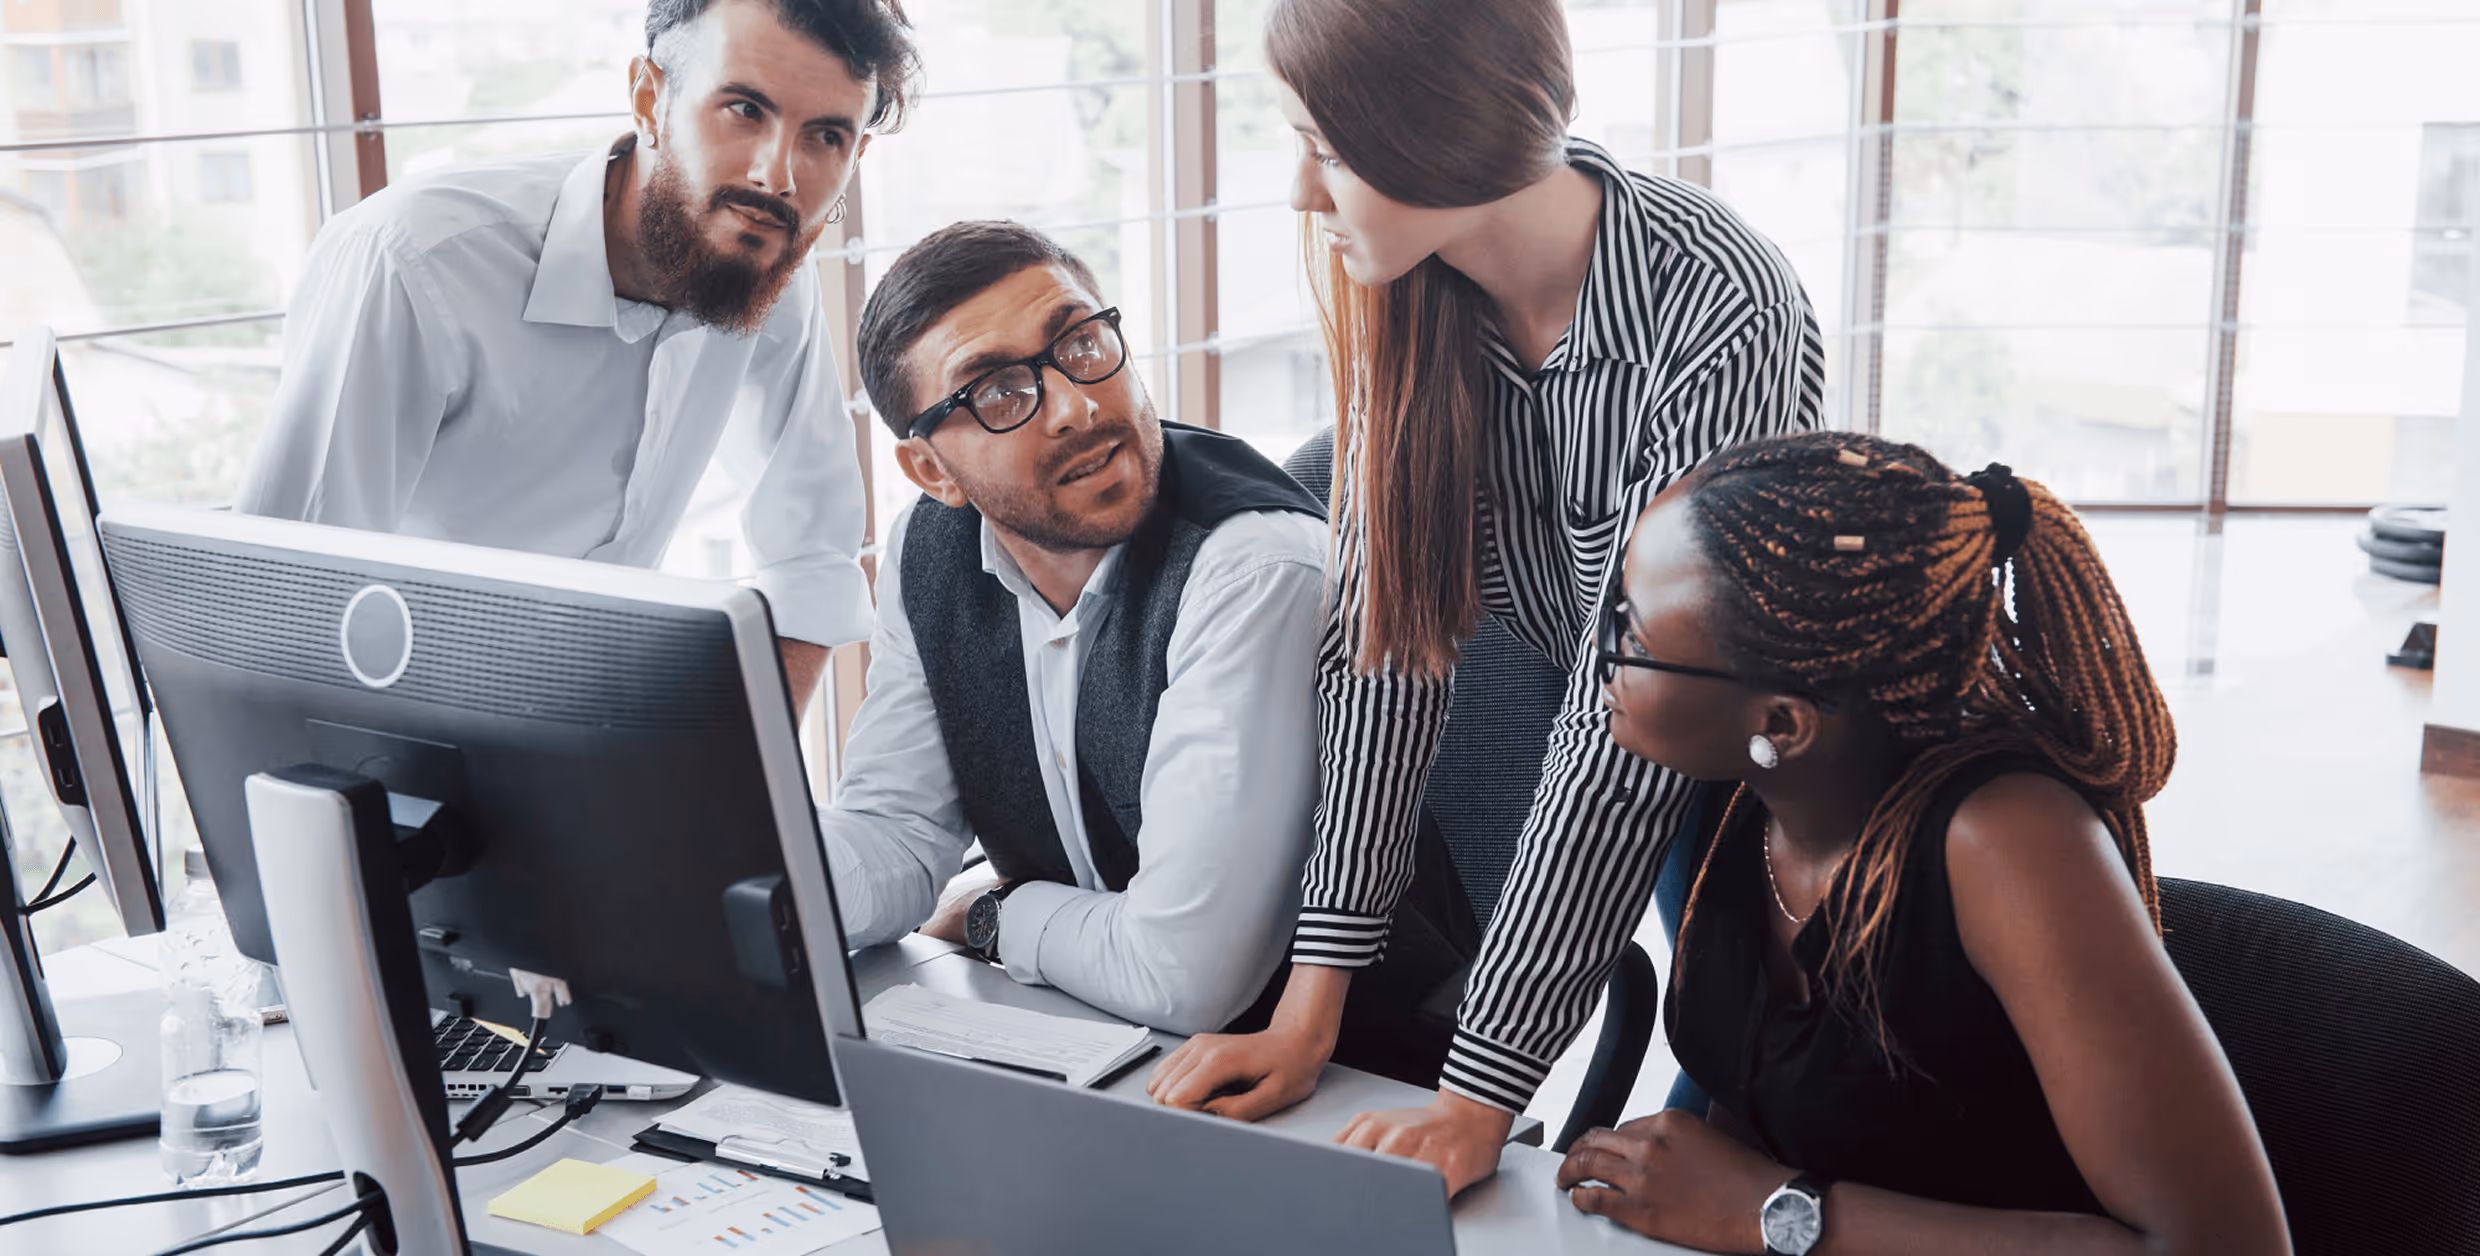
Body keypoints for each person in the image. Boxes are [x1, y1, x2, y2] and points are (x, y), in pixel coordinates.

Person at [1147, 0, 1823, 1191]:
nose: (1304, 195)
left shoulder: (1717, 306)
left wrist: (1478, 1091)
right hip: (1652, 740)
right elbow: (1381, 649)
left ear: (1443, 136)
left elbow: (1623, 720)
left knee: (1761, 1120)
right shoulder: (1411, 286)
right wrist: (1310, 1012)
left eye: (1329, 152)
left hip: (1808, 783)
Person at [1552, 431, 2289, 1254]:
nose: (1602, 652)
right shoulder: (1735, 797)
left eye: (1635, 636)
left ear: (1781, 724)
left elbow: (2225, 1245)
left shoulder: (2004, 841)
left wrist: (1779, 1213)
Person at [235, 0, 920, 705]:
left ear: (855, 156)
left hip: (610, 745)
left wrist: (745, 785)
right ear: (651, 100)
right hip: (404, 744)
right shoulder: (413, 264)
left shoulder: (764, 265)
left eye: (826, 136)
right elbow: (283, 604)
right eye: (745, 109)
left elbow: (810, 561)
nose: (777, 177)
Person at [818, 221, 1329, 1035]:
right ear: (932, 472)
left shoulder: (1251, 566)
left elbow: (1185, 976)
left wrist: (998, 914)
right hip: (1076, 1037)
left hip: (1339, 1084)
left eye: (1082, 343)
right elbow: (900, 836)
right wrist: (736, 866)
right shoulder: (930, 547)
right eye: (996, 392)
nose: (1076, 407)